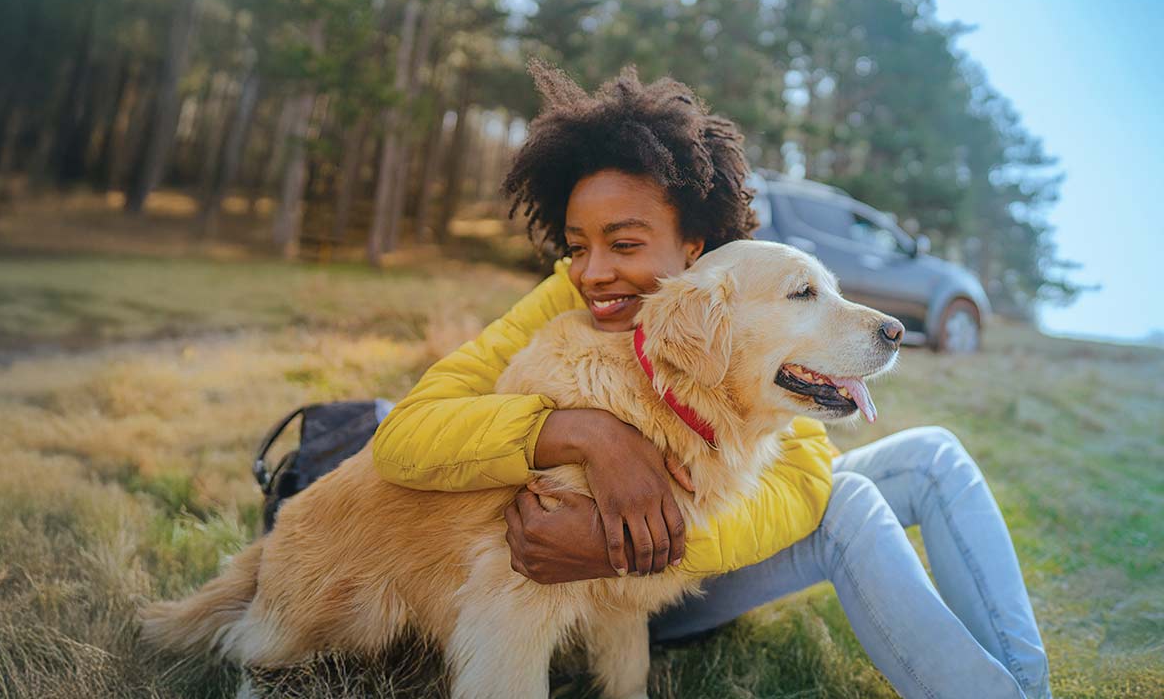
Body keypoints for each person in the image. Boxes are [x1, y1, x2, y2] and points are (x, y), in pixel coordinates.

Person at [371, 63, 1051, 699]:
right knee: (855, 507)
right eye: (579, 246)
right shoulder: (568, 301)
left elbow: (808, 476)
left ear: (693, 247)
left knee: (929, 456)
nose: (593, 272)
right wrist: (583, 432)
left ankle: (1026, 687)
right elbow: (402, 436)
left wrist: (637, 543)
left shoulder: (736, 293)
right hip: (576, 592)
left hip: (665, 557)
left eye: (626, 244)